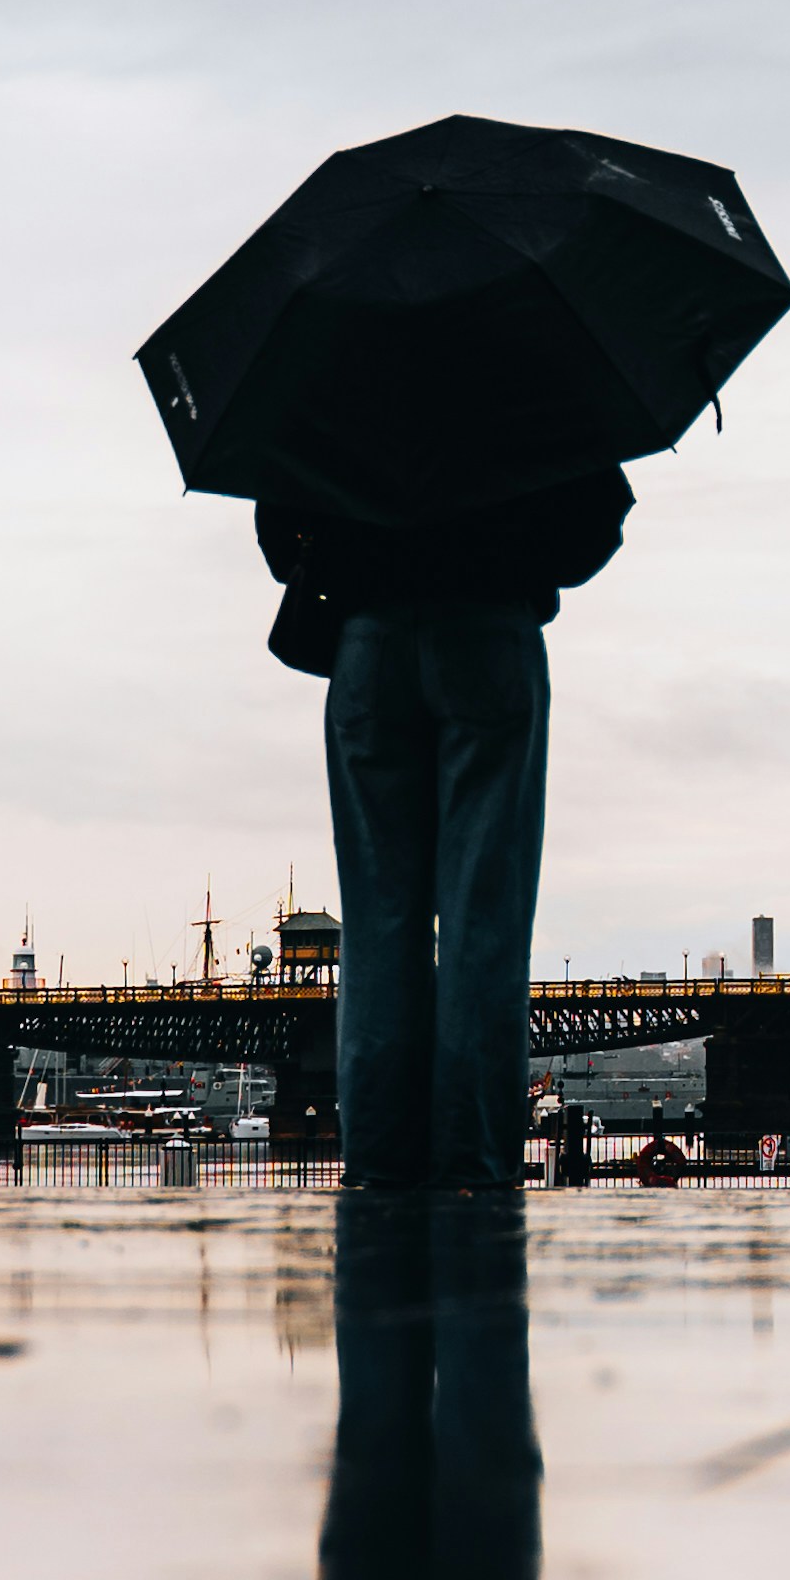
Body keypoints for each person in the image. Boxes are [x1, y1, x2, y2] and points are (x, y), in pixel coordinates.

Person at [259, 467, 630, 1196]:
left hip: (367, 639)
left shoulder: (332, 393)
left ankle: (377, 1168)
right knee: (483, 919)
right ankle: (475, 1169)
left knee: (377, 923)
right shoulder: (530, 390)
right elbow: (597, 521)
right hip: (491, 625)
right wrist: (515, 554)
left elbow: (277, 526)